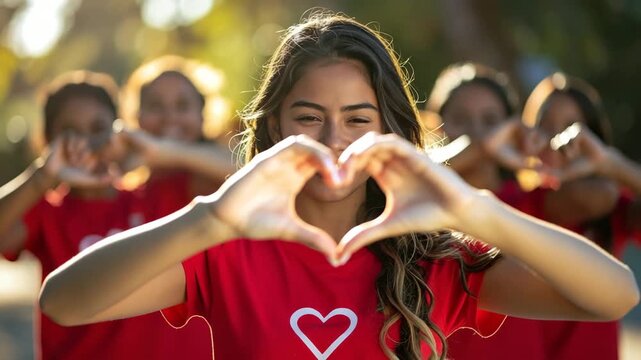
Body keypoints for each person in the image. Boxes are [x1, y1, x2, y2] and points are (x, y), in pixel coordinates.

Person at [38, 13, 639, 360]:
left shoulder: (433, 262)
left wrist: (472, 209)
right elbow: (64, 302)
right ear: (275, 124)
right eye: (308, 117)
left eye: (358, 120)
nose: (334, 141)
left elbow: (613, 296)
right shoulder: (225, 250)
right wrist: (214, 216)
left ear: (390, 130)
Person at [0, 71, 214, 359]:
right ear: (49, 140)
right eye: (70, 132)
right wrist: (43, 175)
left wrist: (162, 151)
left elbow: (244, 169)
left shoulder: (156, 196)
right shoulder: (48, 212)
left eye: (98, 128)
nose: (86, 142)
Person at [426, 62, 548, 359]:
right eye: (460, 118)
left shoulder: (533, 203)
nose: (477, 131)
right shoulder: (420, 206)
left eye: (491, 121)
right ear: (437, 126)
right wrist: (483, 146)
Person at [519, 72, 641, 360]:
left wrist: (610, 162)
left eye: (571, 129)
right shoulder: (517, 201)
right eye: (545, 126)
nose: (556, 140)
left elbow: (600, 196)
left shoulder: (613, 206)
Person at [116, 55, 236, 219]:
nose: (170, 117)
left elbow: (248, 171)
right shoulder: (123, 195)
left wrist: (166, 152)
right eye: (155, 105)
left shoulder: (218, 183)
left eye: (183, 105)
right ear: (137, 116)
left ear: (202, 114)